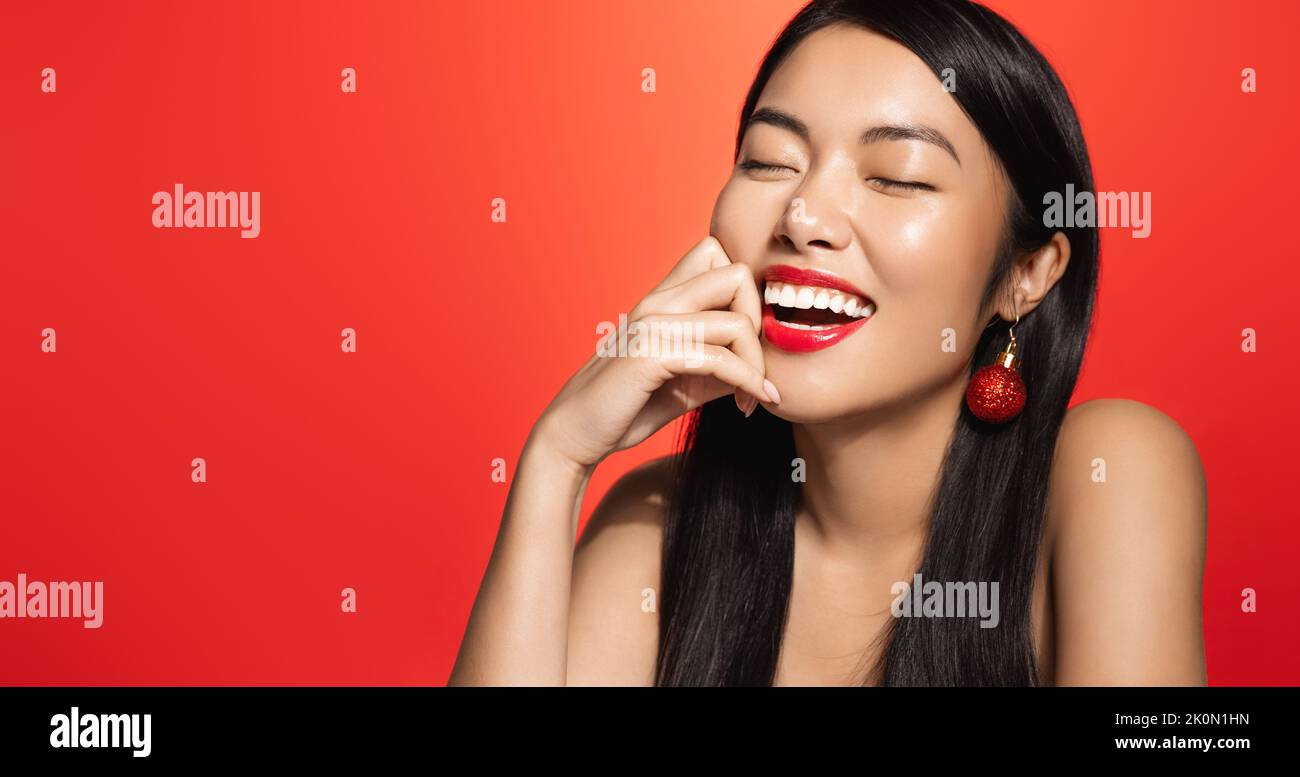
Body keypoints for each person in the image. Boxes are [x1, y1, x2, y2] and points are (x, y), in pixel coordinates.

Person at [449, 0, 1207, 686]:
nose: (803, 213)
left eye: (897, 177)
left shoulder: (1110, 470)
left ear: (1027, 271)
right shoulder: (654, 526)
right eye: (769, 162)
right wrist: (556, 460)